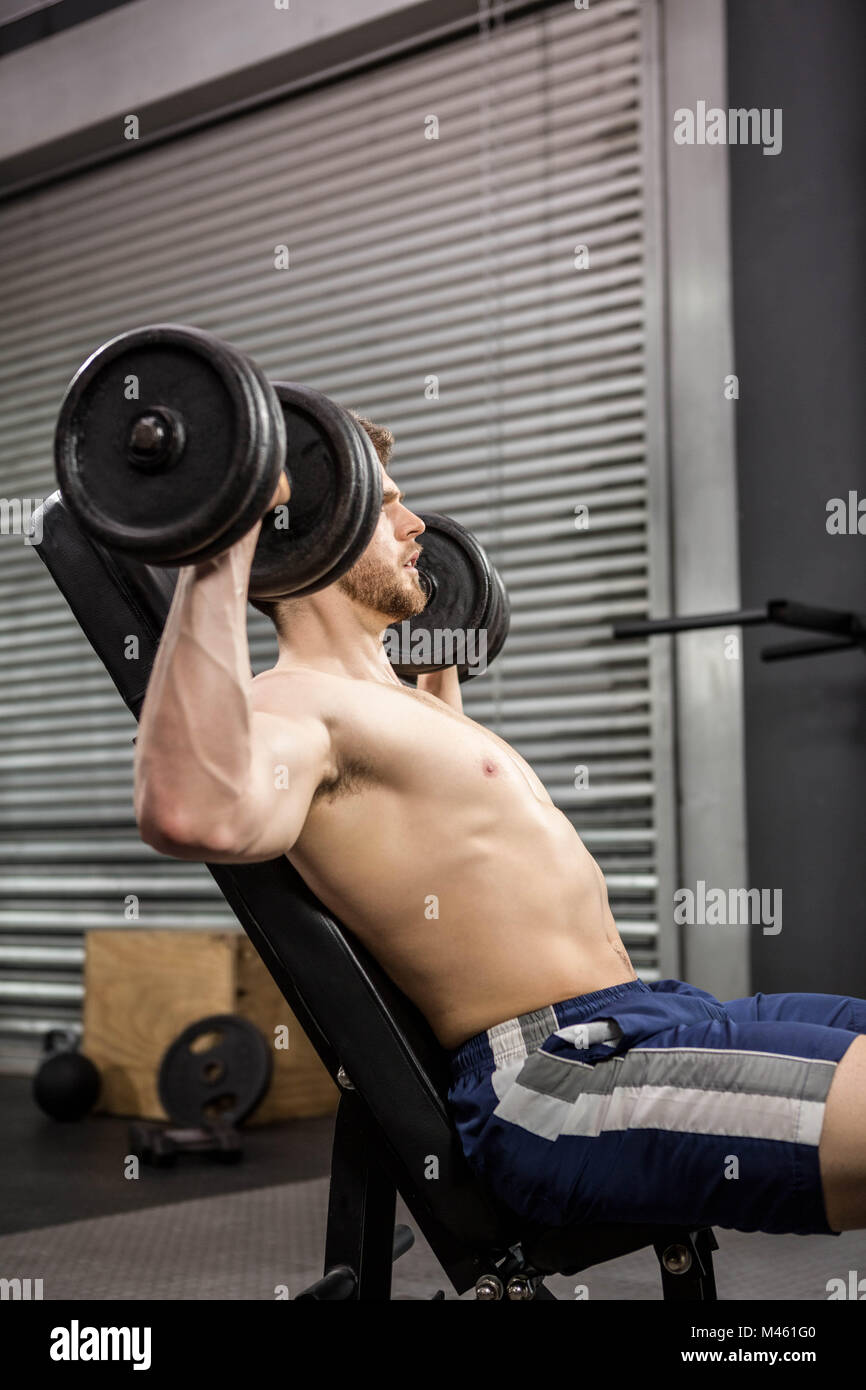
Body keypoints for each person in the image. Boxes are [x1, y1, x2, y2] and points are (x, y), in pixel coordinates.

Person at [133, 413, 866, 1238]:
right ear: (316, 530)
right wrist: (222, 542)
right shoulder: (293, 705)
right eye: (389, 508)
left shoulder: (404, 706)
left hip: (657, 1014)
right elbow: (191, 809)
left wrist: (437, 665)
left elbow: (442, 831)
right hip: (558, 1079)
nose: (418, 527)